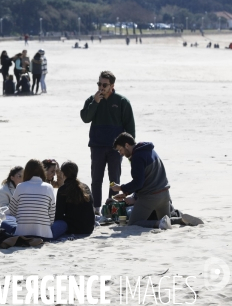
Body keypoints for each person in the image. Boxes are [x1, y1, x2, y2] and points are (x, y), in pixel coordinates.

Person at [80, 71, 135, 214]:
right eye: (99, 84)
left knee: (114, 180)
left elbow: (130, 127)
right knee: (96, 178)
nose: (101, 87)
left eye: (104, 85)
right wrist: (95, 103)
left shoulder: (122, 101)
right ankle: (96, 209)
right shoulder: (92, 100)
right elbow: (85, 118)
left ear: (112, 86)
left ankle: (112, 209)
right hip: (97, 145)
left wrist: (129, 148)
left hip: (116, 149)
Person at [110, 133, 176, 229]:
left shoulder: (137, 157)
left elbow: (138, 182)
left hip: (150, 198)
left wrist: (120, 188)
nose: (120, 153)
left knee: (133, 223)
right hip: (165, 195)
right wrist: (126, 193)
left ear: (127, 145)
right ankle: (181, 219)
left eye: (120, 150)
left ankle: (158, 224)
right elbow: (147, 179)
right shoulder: (151, 150)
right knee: (166, 220)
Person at [2, 159, 66, 240]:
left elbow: (12, 211)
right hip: (44, 235)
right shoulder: (48, 187)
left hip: (22, 234)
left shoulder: (20, 186)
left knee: (5, 223)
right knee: (62, 224)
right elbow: (52, 213)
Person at [54, 161, 95, 235]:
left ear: (63, 174)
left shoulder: (63, 189)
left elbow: (58, 214)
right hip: (88, 227)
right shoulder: (85, 187)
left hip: (73, 228)